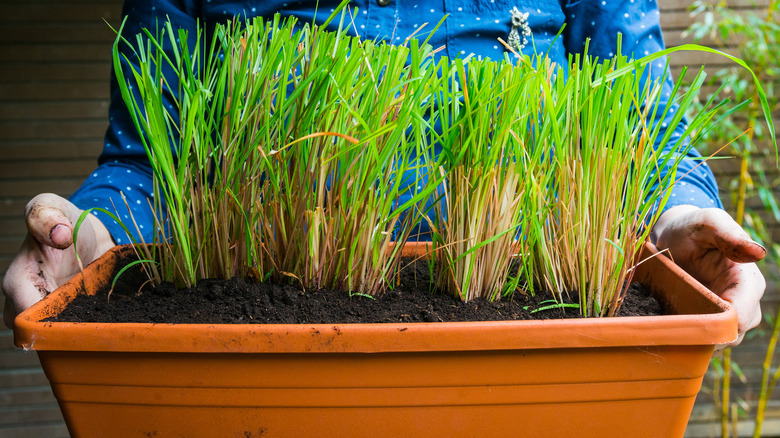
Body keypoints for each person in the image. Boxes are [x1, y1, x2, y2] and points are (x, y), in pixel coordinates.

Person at [2, 0, 766, 348]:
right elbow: (143, 161)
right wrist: (98, 231)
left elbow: (645, 131)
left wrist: (676, 216)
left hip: (527, 326)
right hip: (268, 346)